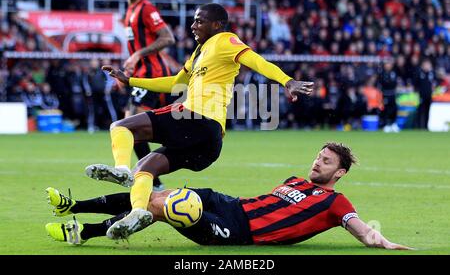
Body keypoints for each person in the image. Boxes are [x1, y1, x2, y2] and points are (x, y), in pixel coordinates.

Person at [84, 2, 314, 240]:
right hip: (208, 144)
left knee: (121, 126)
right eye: (194, 20)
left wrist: (287, 81)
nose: (193, 26)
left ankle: (121, 170)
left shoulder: (226, 40)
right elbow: (175, 83)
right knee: (145, 168)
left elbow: (257, 61)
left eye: (199, 21)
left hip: (197, 118)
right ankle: (139, 212)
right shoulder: (198, 53)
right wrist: (131, 81)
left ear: (217, 25)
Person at [45, 142, 411, 250]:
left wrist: (387, 243)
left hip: (238, 232)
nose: (317, 163)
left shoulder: (336, 203)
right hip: (230, 204)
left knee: (163, 205)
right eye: (318, 156)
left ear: (340, 173)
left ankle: (87, 230)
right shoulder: (295, 180)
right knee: (156, 196)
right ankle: (73, 207)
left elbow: (362, 231)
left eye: (326, 161)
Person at [121, 0, 177, 190]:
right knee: (131, 126)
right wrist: (129, 69)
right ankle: (152, 179)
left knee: (130, 126)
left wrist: (137, 55)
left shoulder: (146, 8)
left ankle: (143, 176)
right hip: (141, 74)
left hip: (153, 75)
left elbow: (168, 38)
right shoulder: (130, 10)